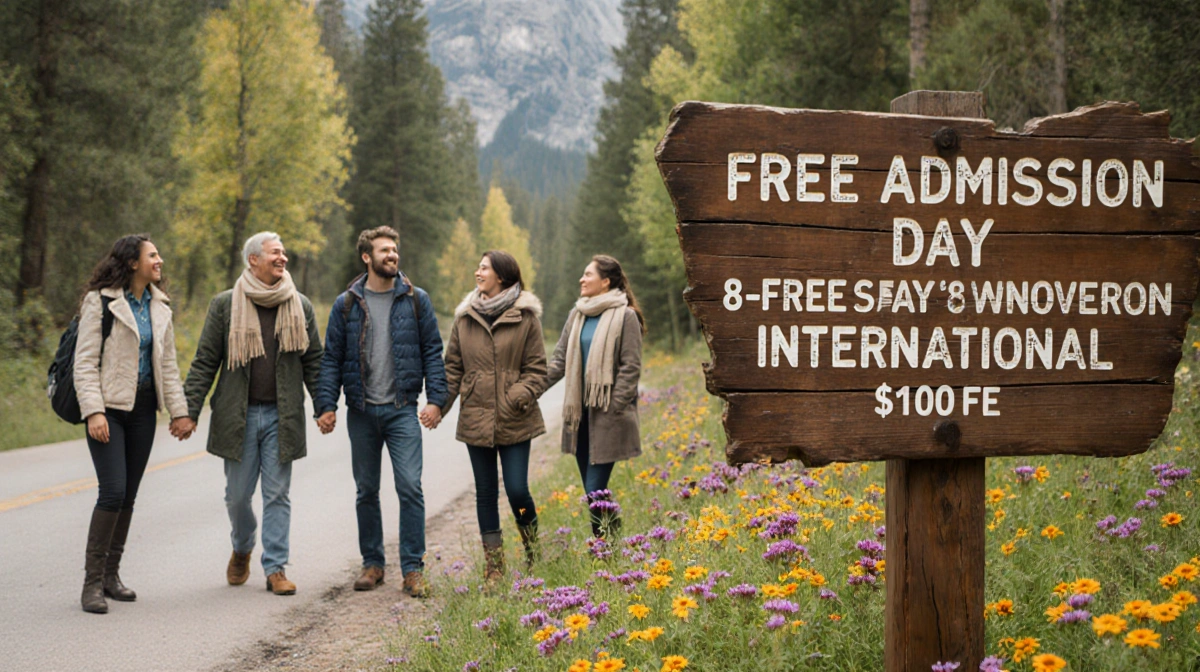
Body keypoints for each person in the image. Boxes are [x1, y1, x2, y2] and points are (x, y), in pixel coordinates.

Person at [183, 232, 324, 596]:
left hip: (283, 415)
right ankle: (243, 546)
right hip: (237, 415)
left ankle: (276, 568)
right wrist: (188, 411)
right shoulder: (225, 305)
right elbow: (205, 362)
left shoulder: (300, 306)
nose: (283, 259)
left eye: (284, 253)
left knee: (277, 494)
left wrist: (324, 406)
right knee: (238, 496)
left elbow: (315, 362)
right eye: (275, 253)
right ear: (253, 260)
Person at [315, 226, 447, 597]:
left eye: (395, 250)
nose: (392, 255)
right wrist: (326, 405)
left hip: (402, 410)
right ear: (366, 257)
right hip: (360, 411)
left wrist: (437, 400)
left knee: (409, 487)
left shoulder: (416, 300)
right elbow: (331, 359)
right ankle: (372, 563)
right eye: (384, 250)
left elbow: (433, 353)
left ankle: (412, 569)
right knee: (366, 490)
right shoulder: (346, 304)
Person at [74, 234, 192, 614]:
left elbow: (168, 367)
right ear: (132, 263)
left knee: (128, 496)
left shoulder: (160, 306)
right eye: (152, 255)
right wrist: (93, 410)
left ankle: (111, 576)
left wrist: (180, 411)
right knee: (112, 491)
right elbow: (84, 361)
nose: (160, 260)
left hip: (143, 411)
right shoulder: (101, 302)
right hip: (109, 408)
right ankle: (91, 584)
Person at [438, 251, 548, 583]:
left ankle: (532, 550)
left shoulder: (526, 317)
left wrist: (519, 394)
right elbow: (452, 369)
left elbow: (537, 370)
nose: (477, 272)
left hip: (516, 417)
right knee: (485, 491)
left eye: (483, 267)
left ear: (501, 275)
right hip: (476, 417)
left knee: (517, 489)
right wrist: (437, 407)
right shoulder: (465, 318)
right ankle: (494, 566)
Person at [547, 255, 646, 538]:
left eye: (588, 274)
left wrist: (615, 406)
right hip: (580, 417)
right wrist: (530, 389)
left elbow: (631, 366)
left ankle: (604, 548)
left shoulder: (626, 316)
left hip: (608, 417)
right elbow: (558, 362)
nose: (582, 279)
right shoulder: (577, 315)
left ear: (605, 282)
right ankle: (615, 543)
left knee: (594, 491)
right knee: (595, 494)